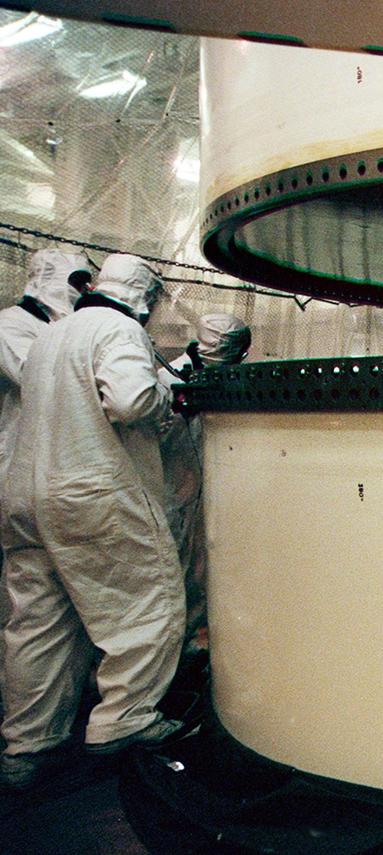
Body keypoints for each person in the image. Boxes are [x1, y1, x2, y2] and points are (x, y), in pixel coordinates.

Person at [0, 253, 184, 790]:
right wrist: (166, 397)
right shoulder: (118, 327)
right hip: (91, 493)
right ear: (144, 297)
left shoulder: (53, 334)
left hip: (27, 494)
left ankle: (26, 749)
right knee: (150, 602)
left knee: (38, 624)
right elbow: (130, 401)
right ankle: (124, 720)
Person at [0, 250, 92, 690]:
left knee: (68, 613)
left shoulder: (58, 331)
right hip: (27, 481)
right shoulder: (11, 326)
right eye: (77, 281)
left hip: (65, 485)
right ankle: (26, 743)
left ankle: (59, 725)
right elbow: (35, 376)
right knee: (35, 615)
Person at [159, 313, 250, 647]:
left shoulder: (224, 379)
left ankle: (191, 644)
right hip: (169, 494)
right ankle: (171, 651)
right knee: (170, 574)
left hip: (202, 495)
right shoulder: (167, 380)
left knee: (199, 569)